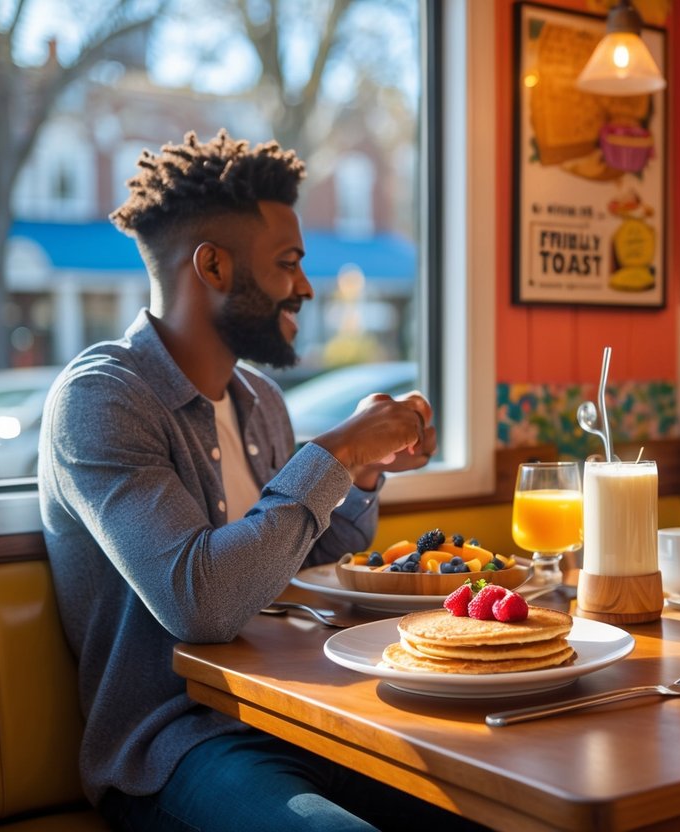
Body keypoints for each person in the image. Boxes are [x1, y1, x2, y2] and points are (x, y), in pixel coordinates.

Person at [38, 131, 468, 831]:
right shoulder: (102, 398)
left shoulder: (259, 399)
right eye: (288, 263)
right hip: (179, 744)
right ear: (211, 265)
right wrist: (335, 448)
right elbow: (201, 604)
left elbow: (309, 559)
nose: (305, 286)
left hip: (310, 713)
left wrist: (359, 476)